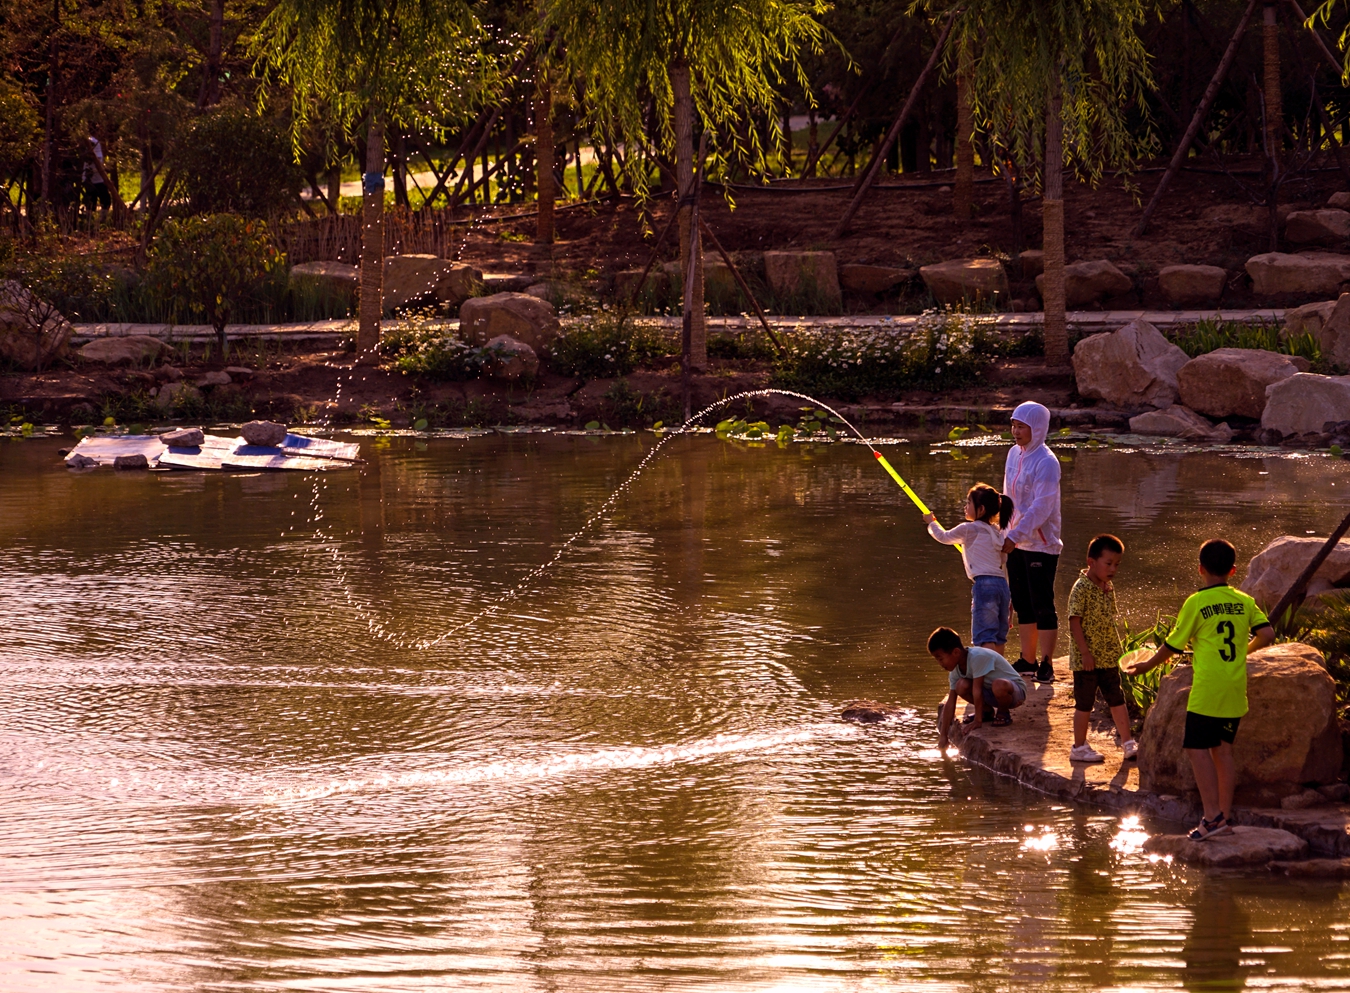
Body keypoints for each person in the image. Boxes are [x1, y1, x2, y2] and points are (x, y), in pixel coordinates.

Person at [1126, 539, 1274, 841]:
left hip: (1208, 688)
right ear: (1233, 570)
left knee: (1196, 748)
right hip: (1234, 687)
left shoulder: (1197, 602)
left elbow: (1172, 644)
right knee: (1222, 750)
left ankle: (1211, 817)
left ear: (1200, 569)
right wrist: (1247, 650)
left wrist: (1146, 666)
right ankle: (1225, 816)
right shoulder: (1244, 601)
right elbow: (1267, 633)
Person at [1002, 400, 1063, 684]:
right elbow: (1008, 498)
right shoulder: (1013, 454)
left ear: (1037, 428)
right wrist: (1002, 531)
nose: (1016, 431)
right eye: (1013, 425)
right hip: (1014, 541)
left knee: (1042, 603)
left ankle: (1047, 663)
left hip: (1040, 544)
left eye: (1021, 426)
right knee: (1022, 603)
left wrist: (1016, 535)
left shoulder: (1047, 462)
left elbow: (1042, 508)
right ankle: (1027, 659)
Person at [1066, 533, 1138, 763]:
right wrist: (1085, 653)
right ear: (1091, 562)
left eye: (1117, 564)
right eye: (1108, 564)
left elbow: (1108, 619)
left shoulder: (1108, 587)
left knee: (1116, 697)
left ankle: (1128, 742)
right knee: (1084, 703)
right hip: (1086, 659)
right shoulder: (1081, 588)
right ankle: (1079, 747)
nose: (1113, 569)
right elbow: (1074, 621)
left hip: (1107, 656)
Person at [924, 482, 1014, 655]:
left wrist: (931, 523)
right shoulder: (996, 532)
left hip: (984, 585)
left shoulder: (968, 529)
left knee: (985, 636)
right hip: (1002, 585)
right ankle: (998, 673)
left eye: (969, 503)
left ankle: (986, 675)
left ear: (980, 510)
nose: (965, 507)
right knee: (999, 637)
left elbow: (943, 536)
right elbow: (1002, 559)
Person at [931, 626, 1027, 750]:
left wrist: (977, 720)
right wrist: (943, 736)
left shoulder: (977, 657)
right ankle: (987, 711)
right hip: (992, 693)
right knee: (961, 686)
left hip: (1015, 692)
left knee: (998, 685)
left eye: (940, 659)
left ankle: (1003, 713)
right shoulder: (956, 670)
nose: (940, 664)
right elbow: (950, 702)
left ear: (956, 652)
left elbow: (977, 690)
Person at [83, 135, 111, 214]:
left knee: (104, 200)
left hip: (97, 178)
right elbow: (96, 160)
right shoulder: (92, 142)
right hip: (93, 179)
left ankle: (100, 219)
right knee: (93, 201)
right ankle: (91, 220)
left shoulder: (95, 141)